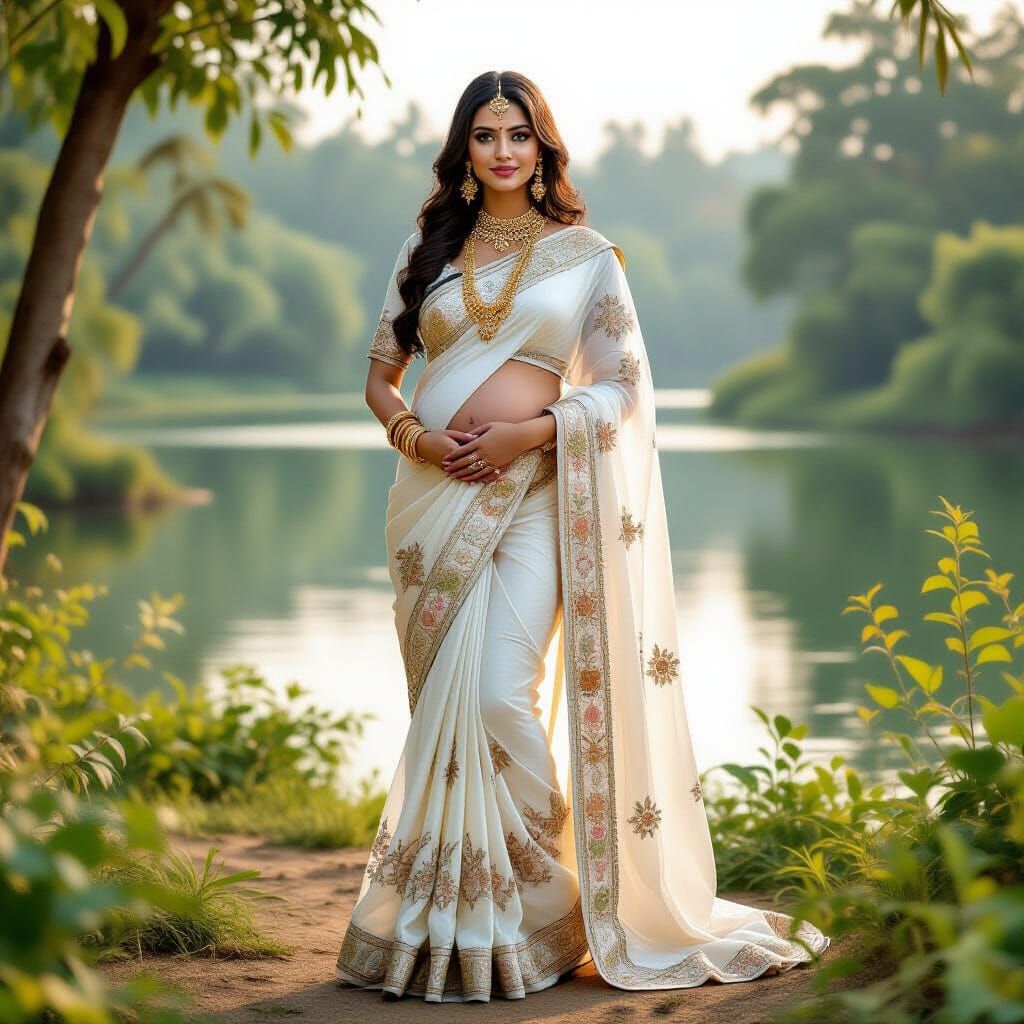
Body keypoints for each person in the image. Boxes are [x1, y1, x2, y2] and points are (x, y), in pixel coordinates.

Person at [335, 70, 830, 1003]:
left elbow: (624, 388)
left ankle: (549, 898)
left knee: (497, 695)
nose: (503, 151)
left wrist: (531, 431)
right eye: (485, 135)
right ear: (465, 150)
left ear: (544, 146)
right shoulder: (427, 246)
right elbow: (379, 379)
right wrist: (418, 439)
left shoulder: (587, 257)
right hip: (430, 502)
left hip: (532, 495)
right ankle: (483, 922)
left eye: (518, 134)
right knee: (447, 703)